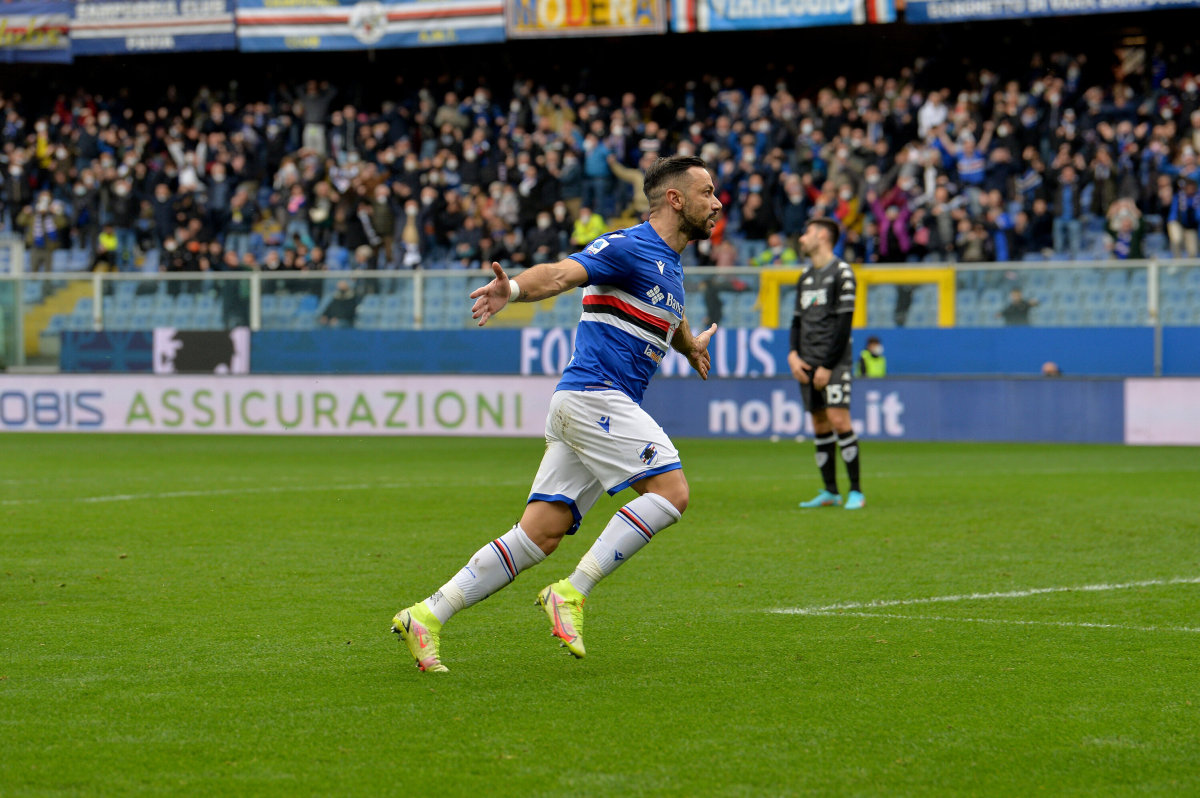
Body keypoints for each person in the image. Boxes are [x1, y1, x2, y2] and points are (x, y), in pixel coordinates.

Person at [391, 155, 722, 672]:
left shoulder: (671, 265)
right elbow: (562, 273)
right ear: (676, 200)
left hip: (590, 405)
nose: (717, 201)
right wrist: (515, 290)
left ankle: (426, 615)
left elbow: (666, 309)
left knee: (538, 535)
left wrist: (687, 346)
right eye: (707, 192)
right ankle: (572, 592)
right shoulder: (628, 245)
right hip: (596, 395)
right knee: (671, 492)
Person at [789, 218, 864, 510]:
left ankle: (856, 491)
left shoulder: (843, 273)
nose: (802, 238)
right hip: (806, 361)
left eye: (807, 232)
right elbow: (796, 322)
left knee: (838, 419)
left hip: (834, 363)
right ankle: (830, 491)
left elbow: (844, 324)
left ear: (822, 236)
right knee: (819, 422)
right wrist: (793, 355)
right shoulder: (805, 277)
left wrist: (828, 365)